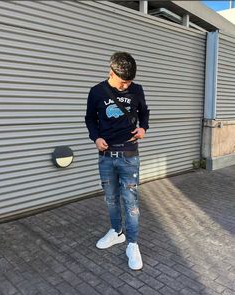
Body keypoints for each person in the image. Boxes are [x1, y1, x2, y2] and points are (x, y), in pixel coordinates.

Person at [85, 52, 149, 270]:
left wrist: (143, 128)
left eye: (129, 82)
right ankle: (116, 232)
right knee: (111, 199)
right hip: (105, 156)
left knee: (131, 203)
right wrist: (96, 137)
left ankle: (132, 243)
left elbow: (144, 113)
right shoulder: (96, 92)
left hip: (129, 155)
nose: (126, 86)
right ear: (111, 72)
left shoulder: (137, 90)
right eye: (123, 82)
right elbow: (89, 118)